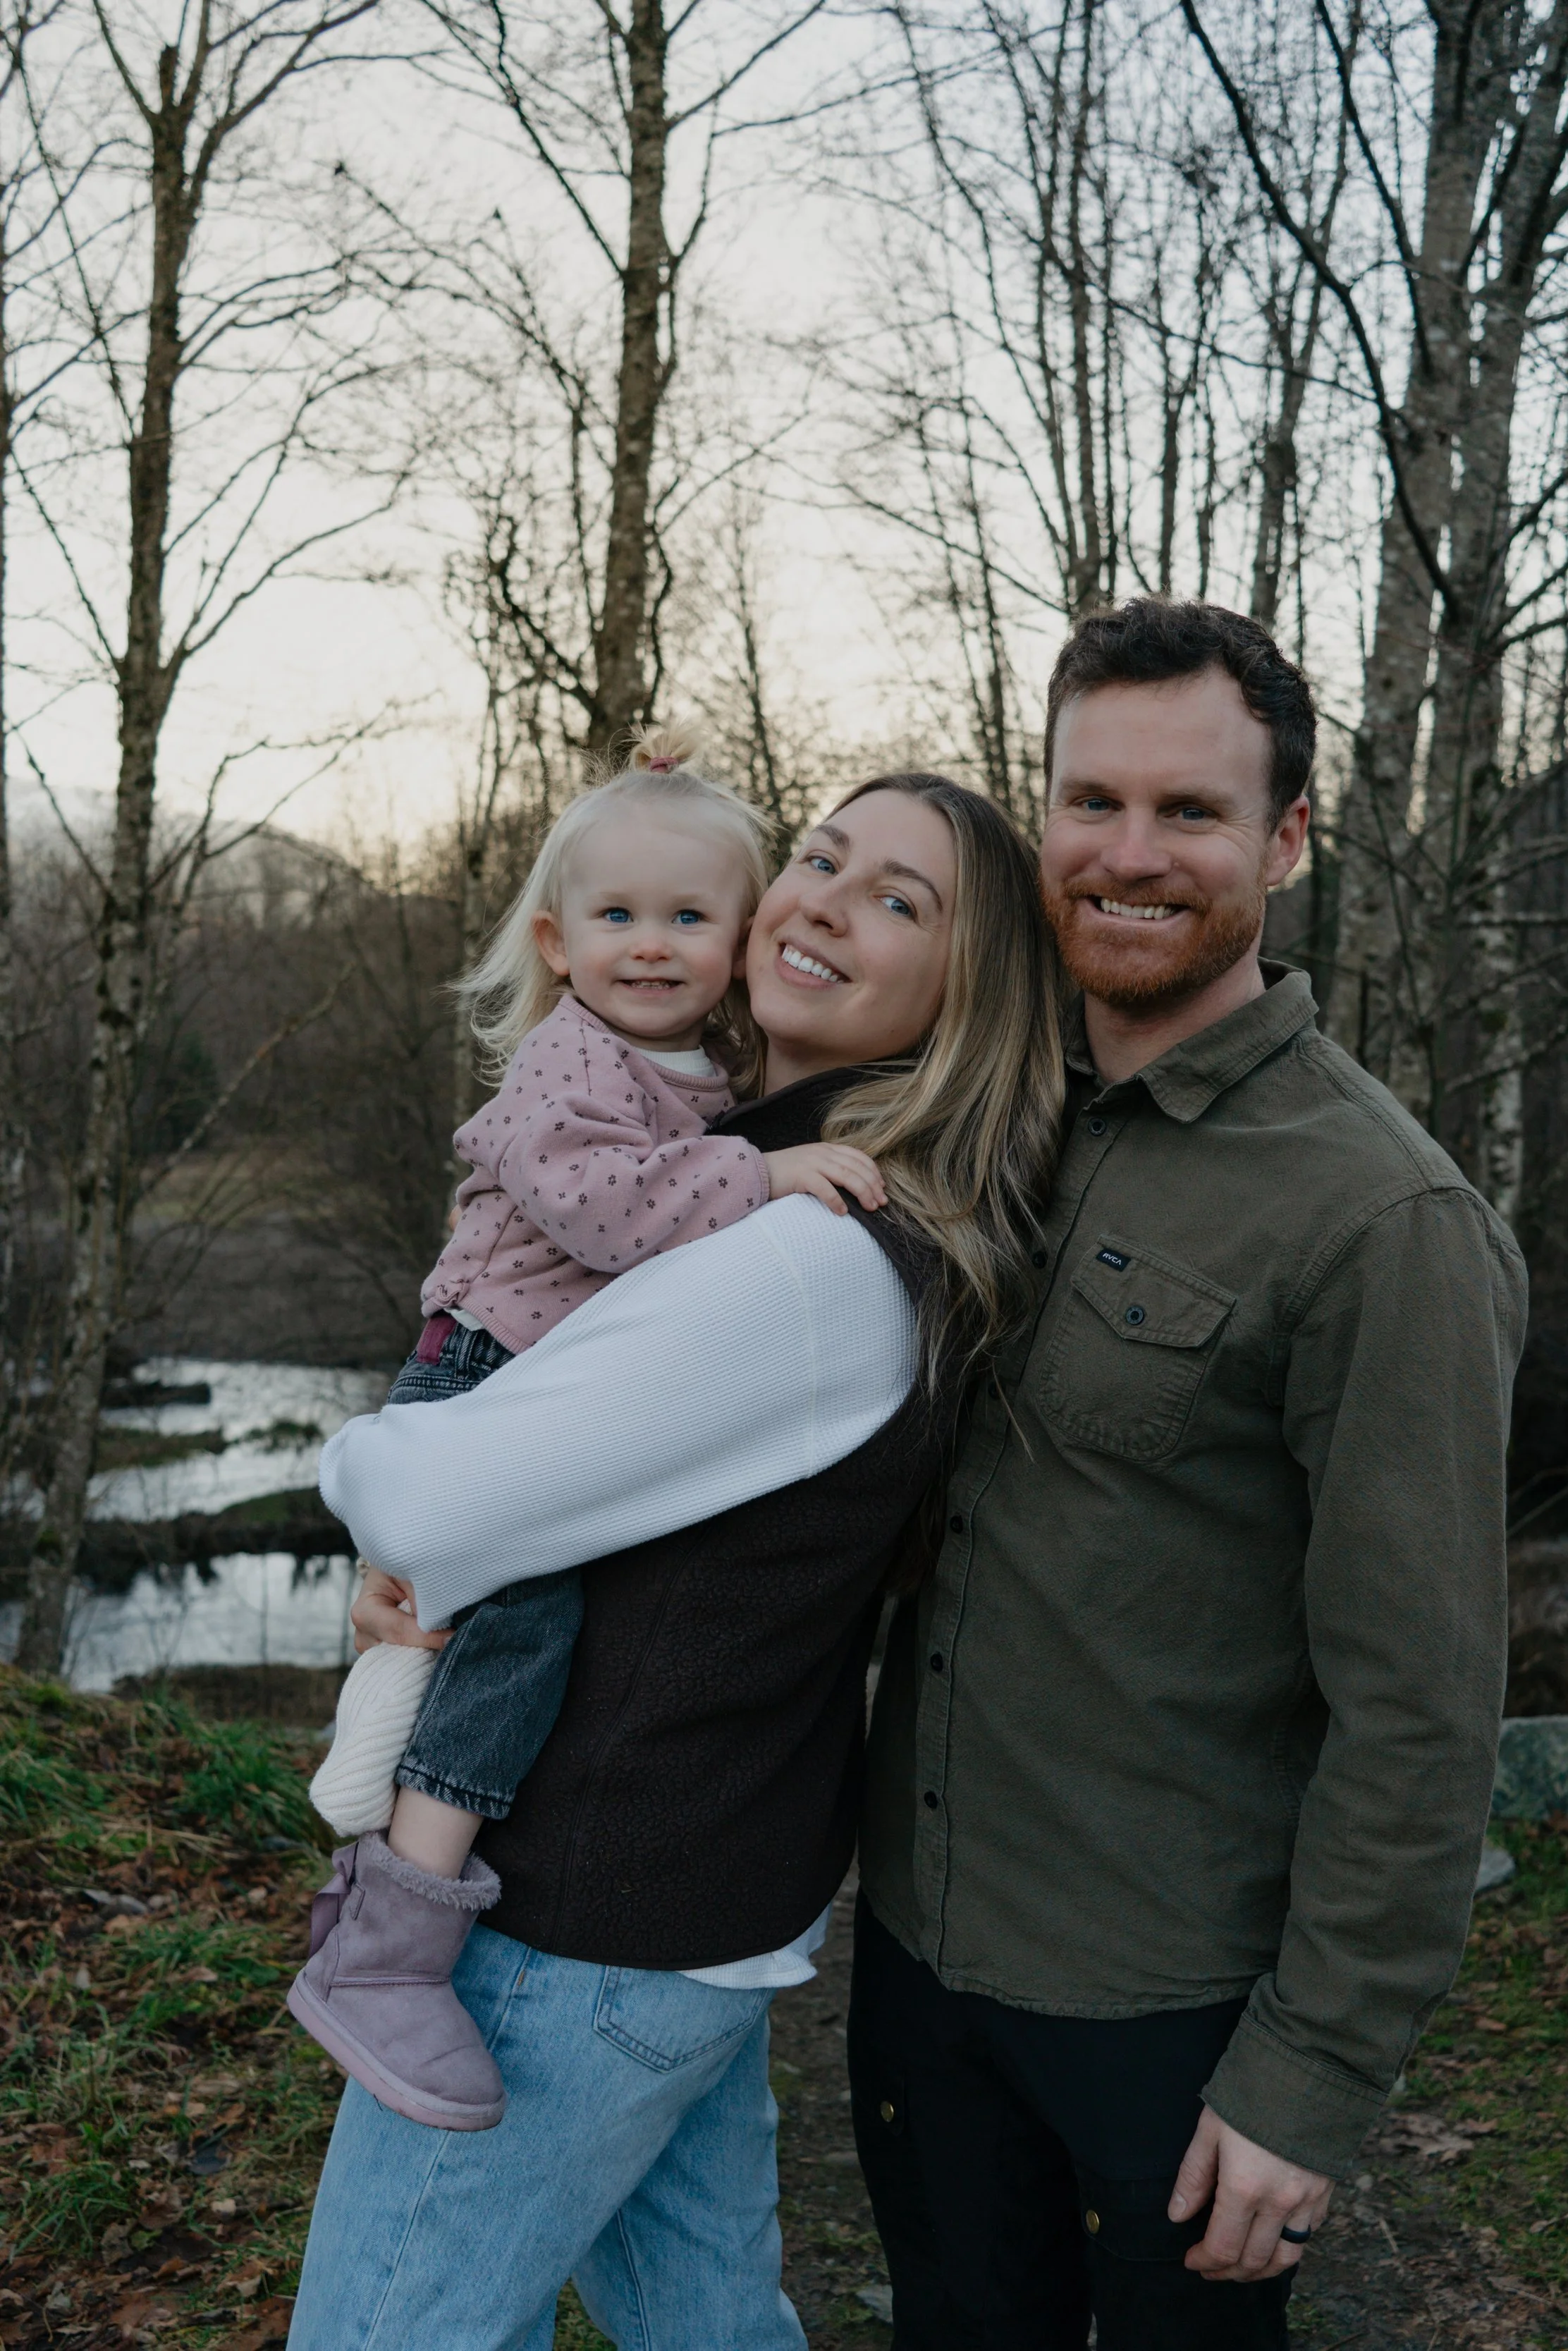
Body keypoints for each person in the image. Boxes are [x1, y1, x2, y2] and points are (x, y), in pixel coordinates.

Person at [288, 771, 1066, 2351]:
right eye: (824, 857)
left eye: (899, 899)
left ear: (961, 1000)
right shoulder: (765, 1176)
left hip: (578, 1923)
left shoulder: (803, 1246)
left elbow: (436, 1503)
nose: (827, 898)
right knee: (712, 2326)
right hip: (692, 1919)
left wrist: (361, 1483)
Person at [852, 598, 1528, 2350]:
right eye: (1091, 802)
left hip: (1161, 2013)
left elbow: (1419, 1708)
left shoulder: (1382, 1220)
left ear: (1285, 838)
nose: (1127, 855)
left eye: (1189, 812)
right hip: (917, 1960)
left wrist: (1307, 2077)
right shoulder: (977, 1098)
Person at [297, 728, 889, 2133]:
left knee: (461, 1616)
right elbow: (611, 1213)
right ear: (557, 943)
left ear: (740, 936)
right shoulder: (571, 1067)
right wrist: (764, 1170)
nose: (650, 943)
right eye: (616, 916)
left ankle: (377, 1750)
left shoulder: (697, 1061)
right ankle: (391, 1931)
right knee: (526, 1620)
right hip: (481, 1370)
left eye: (689, 916)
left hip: (532, 1380)